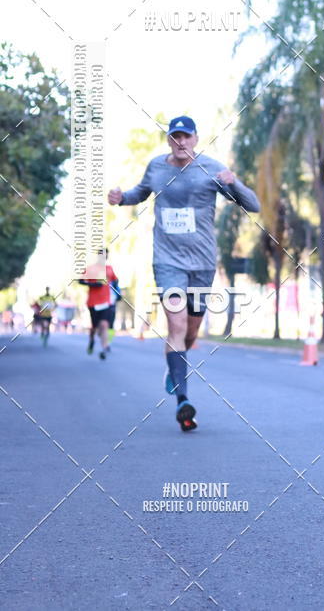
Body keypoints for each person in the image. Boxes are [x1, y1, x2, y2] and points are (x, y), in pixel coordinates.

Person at [108, 115, 260, 433]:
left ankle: (174, 371)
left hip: (202, 264)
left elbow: (253, 205)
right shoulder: (156, 167)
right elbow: (141, 192)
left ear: (195, 139)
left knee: (190, 335)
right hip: (167, 261)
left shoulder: (212, 169)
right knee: (175, 324)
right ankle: (183, 400)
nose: (181, 142)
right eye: (175, 136)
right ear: (168, 140)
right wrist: (122, 199)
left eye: (186, 137)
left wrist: (234, 183)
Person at [79, 250, 118, 360]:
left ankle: (104, 349)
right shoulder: (90, 268)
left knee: (105, 325)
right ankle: (91, 340)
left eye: (106, 255)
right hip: (93, 303)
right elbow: (80, 281)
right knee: (94, 327)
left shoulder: (109, 269)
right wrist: (93, 284)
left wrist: (116, 292)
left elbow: (116, 280)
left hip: (106, 302)